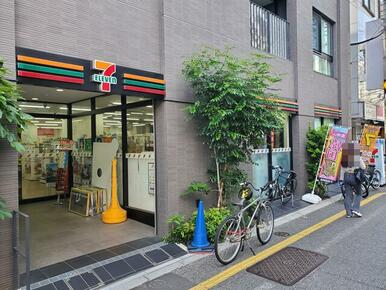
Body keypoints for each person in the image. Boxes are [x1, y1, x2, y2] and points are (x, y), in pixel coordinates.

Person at [340, 142, 366, 218]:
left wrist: (341, 180)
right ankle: (355, 209)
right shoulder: (356, 156)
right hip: (355, 177)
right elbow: (363, 167)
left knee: (348, 195)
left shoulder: (344, 157)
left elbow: (342, 170)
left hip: (346, 177)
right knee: (359, 193)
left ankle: (349, 213)